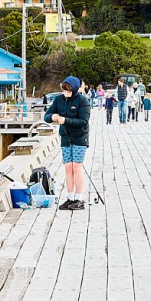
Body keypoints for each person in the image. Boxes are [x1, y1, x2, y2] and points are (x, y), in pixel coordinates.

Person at [43, 76, 90, 211]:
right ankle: (70, 198)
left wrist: (65, 120)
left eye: (68, 91)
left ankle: (79, 198)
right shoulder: (59, 100)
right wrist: (52, 117)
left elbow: (83, 121)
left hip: (80, 138)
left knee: (76, 166)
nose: (66, 93)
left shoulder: (83, 101)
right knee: (68, 167)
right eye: (64, 90)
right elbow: (47, 116)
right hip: (65, 138)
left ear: (74, 89)